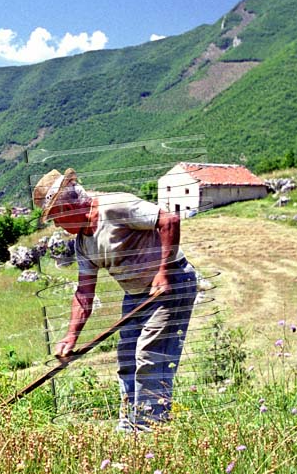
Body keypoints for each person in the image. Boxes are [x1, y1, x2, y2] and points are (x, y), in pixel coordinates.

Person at [33, 168, 197, 432]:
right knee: (128, 358)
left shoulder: (115, 206)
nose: (57, 226)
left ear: (68, 207)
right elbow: (84, 292)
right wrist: (71, 336)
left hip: (171, 284)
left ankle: (150, 429)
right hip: (135, 296)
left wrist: (163, 271)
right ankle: (129, 425)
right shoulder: (83, 244)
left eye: (56, 218)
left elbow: (169, 220)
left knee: (150, 356)